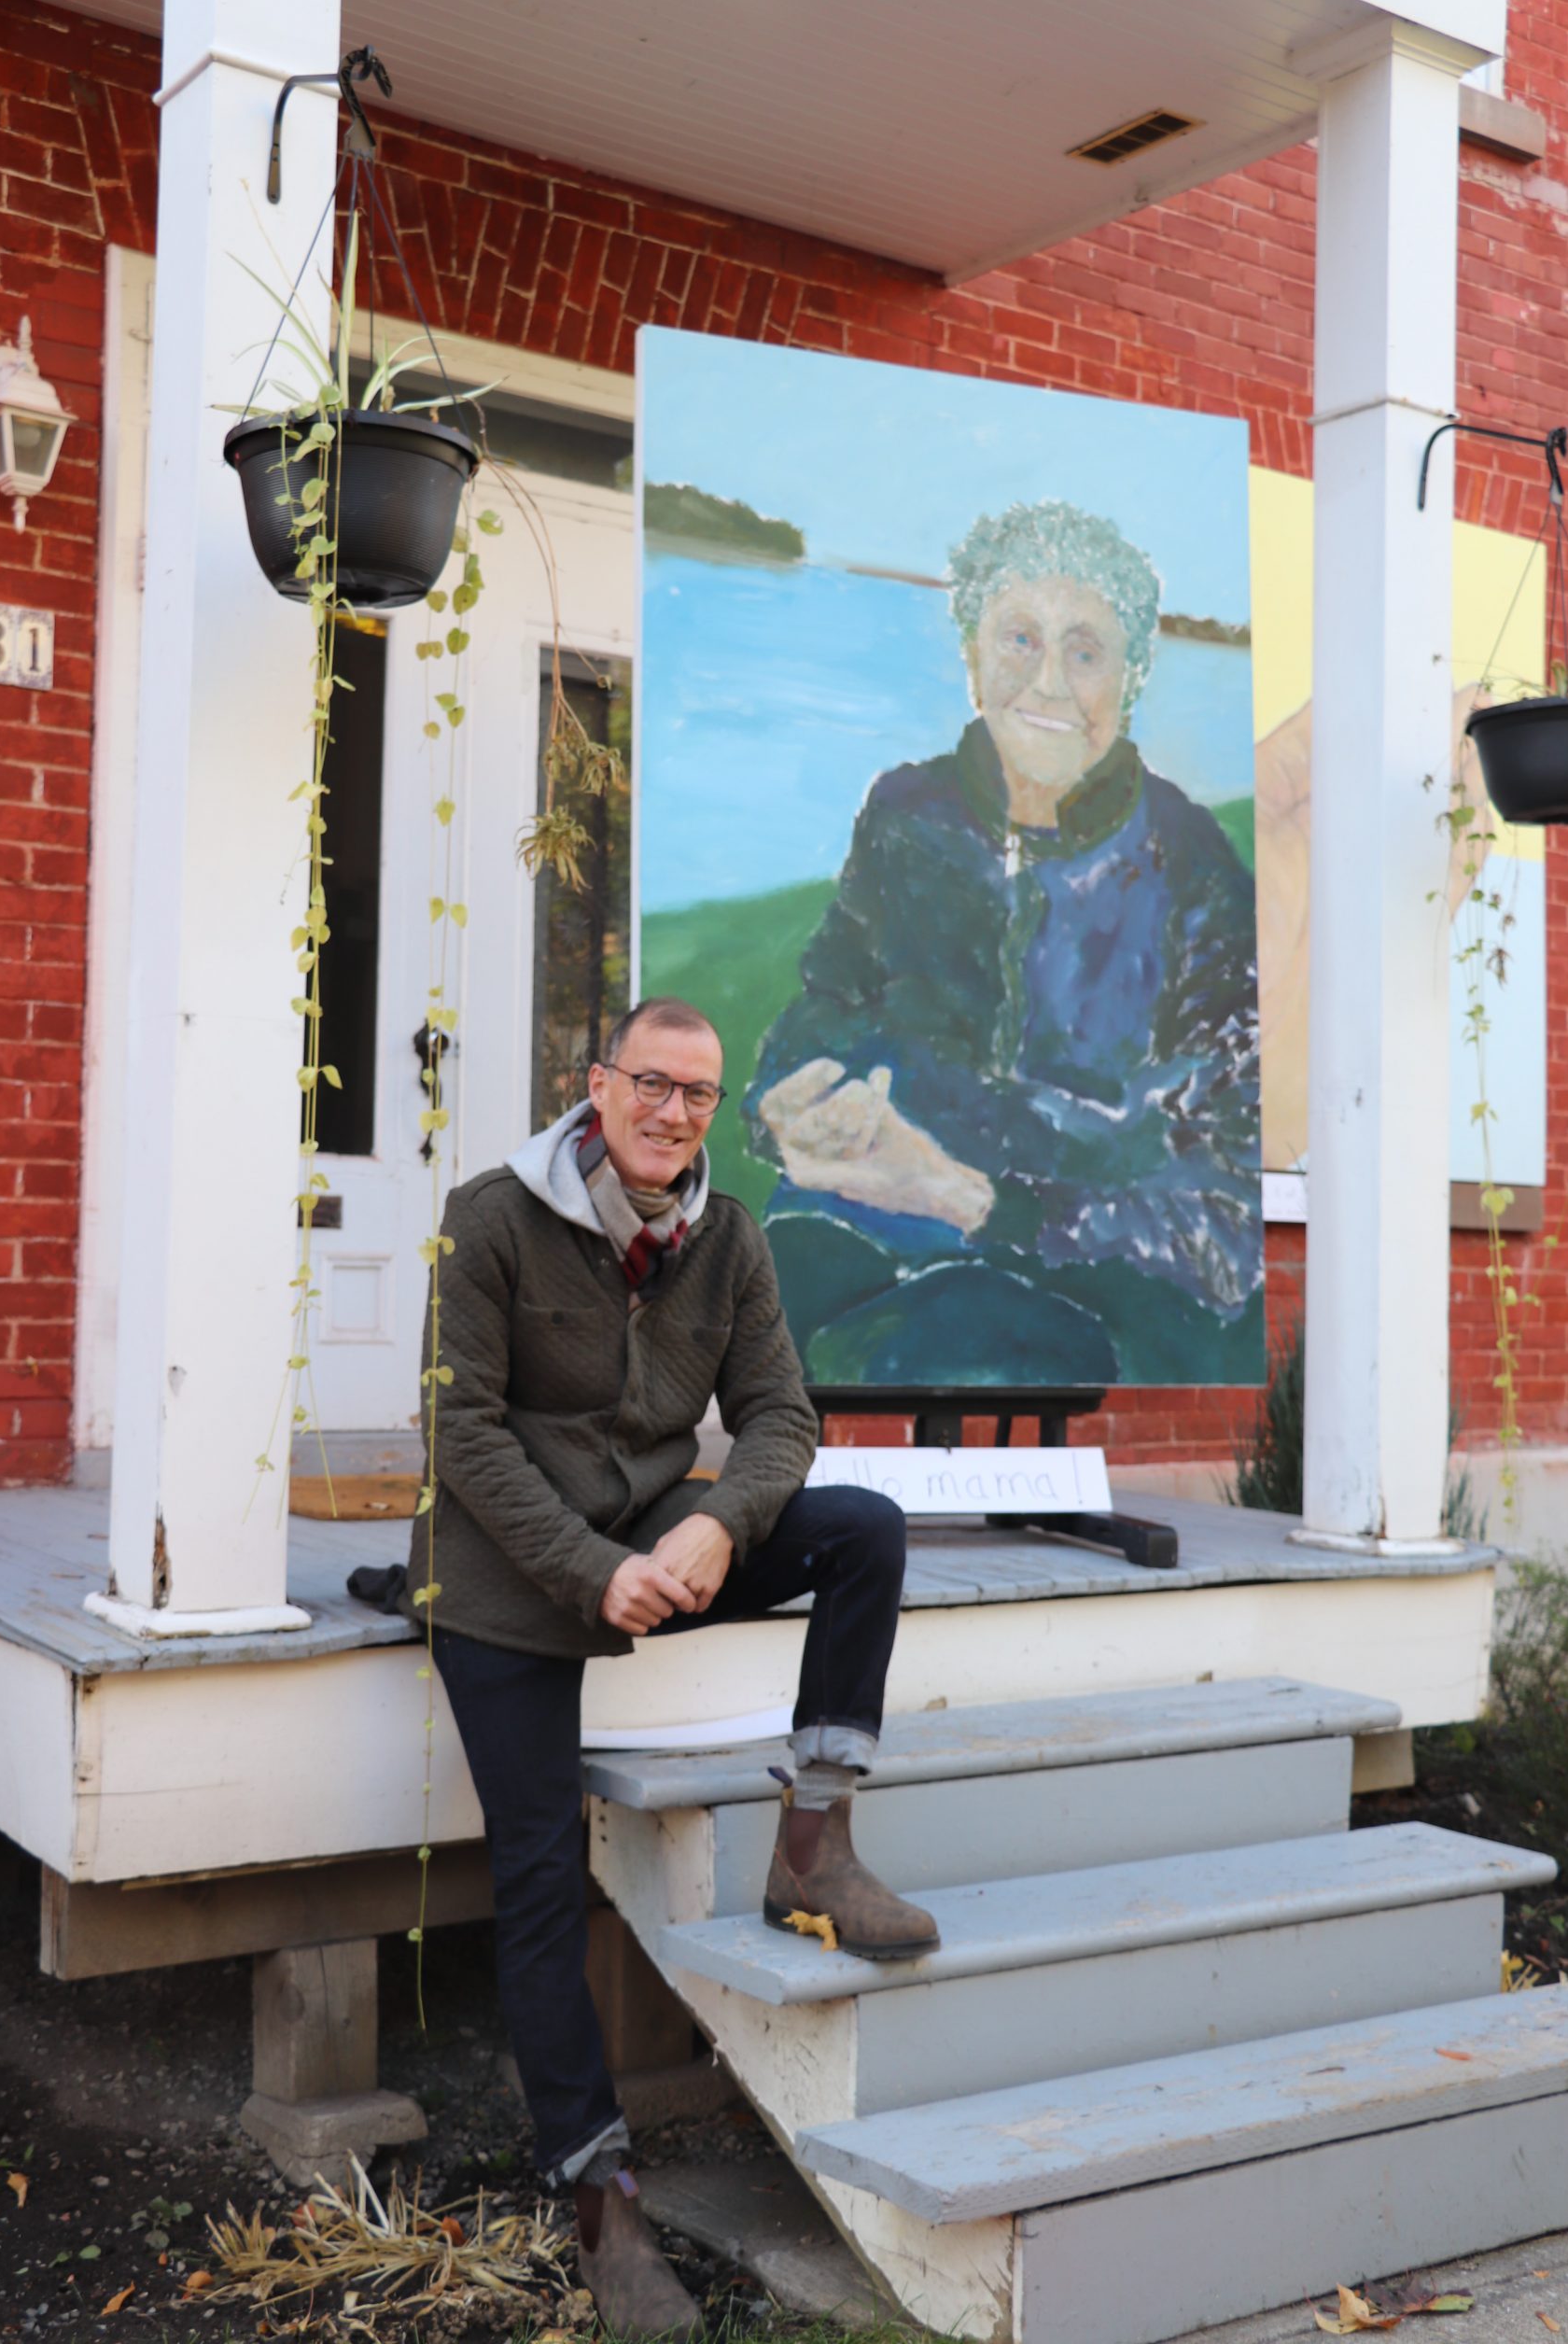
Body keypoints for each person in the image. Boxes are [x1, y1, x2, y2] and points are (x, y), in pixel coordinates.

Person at [409, 996, 935, 2343]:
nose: (672, 1114)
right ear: (599, 1086)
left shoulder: (728, 1238)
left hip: (656, 1539)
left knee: (863, 1531)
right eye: (650, 1085)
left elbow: (781, 1417)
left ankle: (811, 1844)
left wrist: (711, 1523)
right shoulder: (489, 1216)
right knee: (537, 1875)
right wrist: (590, 1570)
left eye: (697, 1095)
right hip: (505, 1580)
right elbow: (461, 1439)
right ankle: (599, 2202)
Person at [748, 497, 1264, 1387]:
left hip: (1068, 1269)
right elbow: (827, 1004)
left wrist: (967, 1199)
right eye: (1019, 638)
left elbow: (1216, 1226)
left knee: (907, 1345)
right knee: (760, 1299)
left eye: (1086, 650)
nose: (1049, 683)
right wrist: (787, 1102)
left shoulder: (1192, 867)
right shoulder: (908, 814)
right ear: (970, 653)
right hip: (870, 1214)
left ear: (1133, 675)